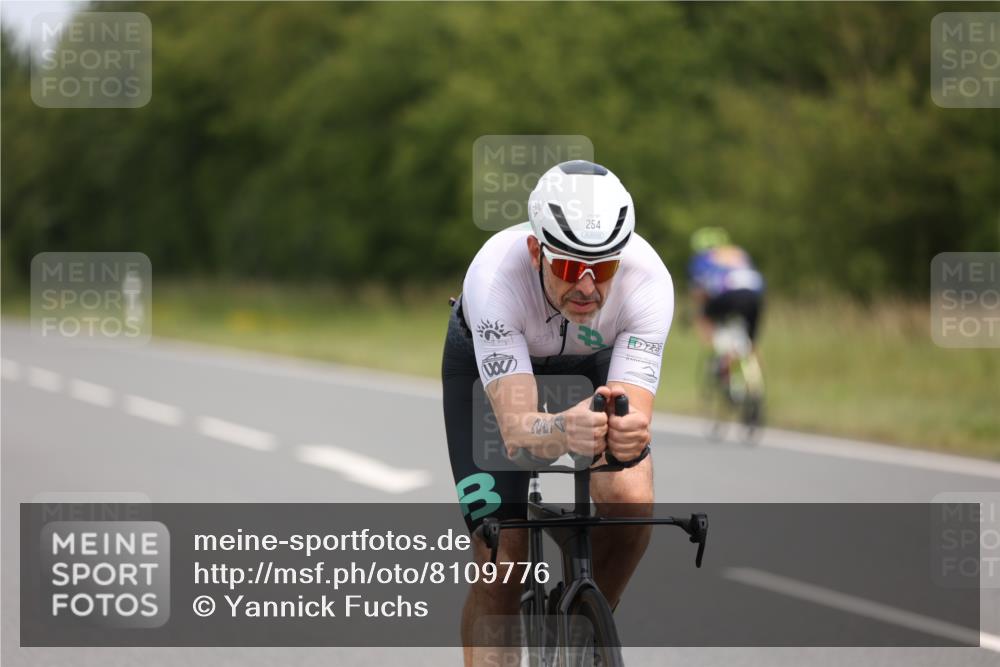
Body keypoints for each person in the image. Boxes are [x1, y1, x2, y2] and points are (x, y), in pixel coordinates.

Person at [442, 160, 673, 666]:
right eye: (569, 268)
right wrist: (563, 429)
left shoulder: (650, 280)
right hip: (490, 368)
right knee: (503, 564)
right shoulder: (495, 279)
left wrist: (629, 436)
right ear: (535, 252)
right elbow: (518, 434)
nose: (588, 289)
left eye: (604, 269)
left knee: (631, 498)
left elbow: (633, 419)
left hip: (592, 356)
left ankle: (585, 626)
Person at [687, 227, 765, 350]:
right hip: (754, 297)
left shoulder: (702, 258)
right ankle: (754, 358)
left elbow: (699, 291)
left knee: (703, 315)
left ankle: (714, 349)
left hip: (728, 296)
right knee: (751, 342)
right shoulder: (739, 252)